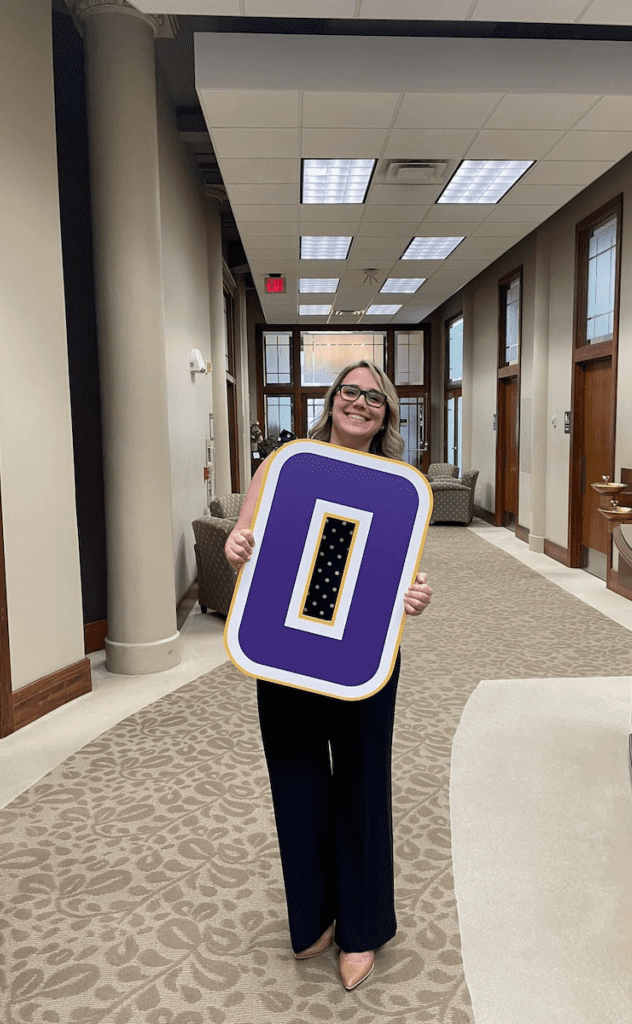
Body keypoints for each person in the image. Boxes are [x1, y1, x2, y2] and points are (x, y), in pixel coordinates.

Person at [224, 360, 433, 991]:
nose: (361, 403)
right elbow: (247, 542)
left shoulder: (401, 483)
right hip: (286, 648)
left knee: (363, 785)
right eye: (351, 391)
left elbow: (397, 576)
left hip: (361, 657)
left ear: (387, 414)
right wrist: (237, 546)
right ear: (332, 399)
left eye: (375, 397)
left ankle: (361, 930)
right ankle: (311, 916)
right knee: (297, 780)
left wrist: (412, 595)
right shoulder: (285, 464)